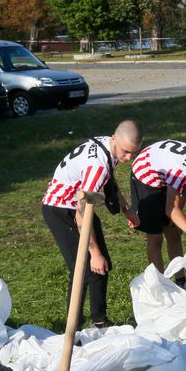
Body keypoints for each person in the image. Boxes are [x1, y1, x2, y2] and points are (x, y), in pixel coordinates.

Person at [41, 119, 142, 328]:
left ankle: (100, 320)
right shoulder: (98, 167)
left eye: (134, 153)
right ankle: (72, 331)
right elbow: (81, 217)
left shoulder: (108, 146)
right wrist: (94, 254)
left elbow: (110, 181)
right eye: (125, 152)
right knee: (83, 269)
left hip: (78, 205)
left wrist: (126, 209)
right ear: (115, 139)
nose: (129, 158)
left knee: (102, 266)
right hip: (61, 209)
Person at [129, 139, 186, 282]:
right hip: (146, 178)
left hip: (165, 173)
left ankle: (181, 283)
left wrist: (176, 220)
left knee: (173, 232)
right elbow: (171, 209)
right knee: (155, 237)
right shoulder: (178, 172)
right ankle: (161, 286)